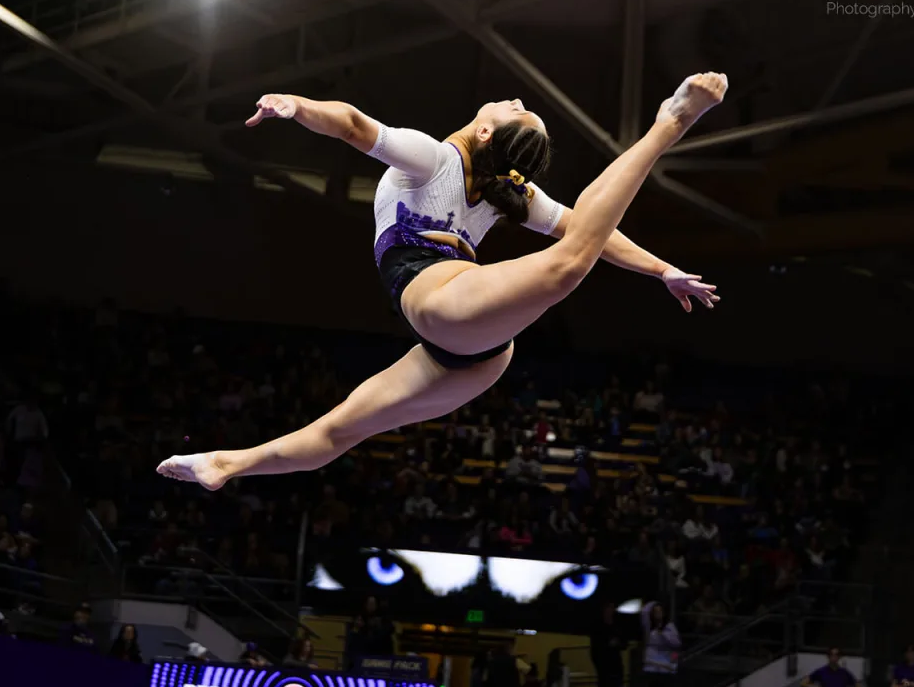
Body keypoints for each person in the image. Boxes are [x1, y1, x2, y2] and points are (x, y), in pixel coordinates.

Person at [157, 73, 727, 487]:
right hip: (460, 337)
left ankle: (668, 123)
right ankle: (226, 464)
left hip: (452, 314)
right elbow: (589, 231)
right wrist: (300, 108)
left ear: (484, 131)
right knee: (337, 434)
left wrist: (662, 269)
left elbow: (355, 124)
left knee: (570, 261)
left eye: (515, 109)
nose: (516, 98)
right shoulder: (466, 177)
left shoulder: (440, 161)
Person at [641, 601, 681, 687]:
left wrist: (662, 633)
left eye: (660, 611)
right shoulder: (649, 627)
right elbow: (644, 612)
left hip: (665, 667)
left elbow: (677, 644)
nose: (658, 614)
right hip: (651, 666)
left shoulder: (669, 626)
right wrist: (654, 602)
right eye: (655, 612)